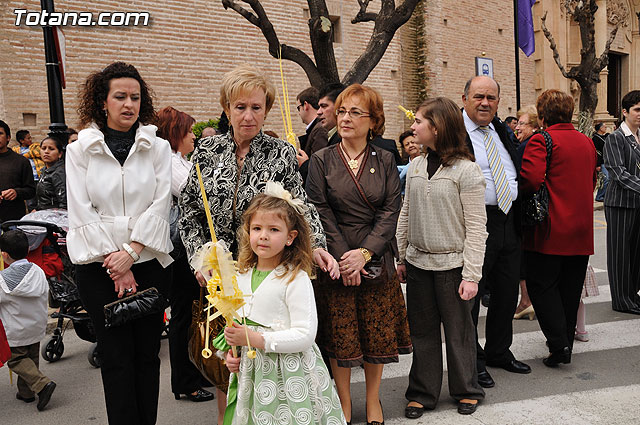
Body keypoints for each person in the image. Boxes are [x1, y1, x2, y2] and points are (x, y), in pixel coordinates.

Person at [179, 64, 339, 424]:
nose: (248, 116)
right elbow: (188, 210)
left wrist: (315, 245)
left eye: (256, 107)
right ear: (226, 108)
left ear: (266, 110)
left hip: (266, 269)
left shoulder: (280, 152)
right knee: (227, 361)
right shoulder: (206, 151)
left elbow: (298, 205)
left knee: (267, 356)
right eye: (240, 107)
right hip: (220, 275)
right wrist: (199, 259)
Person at [67, 61, 173, 424]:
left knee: (147, 355)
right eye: (120, 97)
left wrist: (132, 252)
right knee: (115, 359)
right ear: (102, 101)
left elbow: (161, 204)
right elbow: (81, 211)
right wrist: (116, 263)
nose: (129, 104)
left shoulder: (157, 146)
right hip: (99, 272)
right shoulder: (79, 150)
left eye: (135, 97)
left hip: (149, 266)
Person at [306, 83, 412, 425]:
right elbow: (319, 209)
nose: (345, 118)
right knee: (341, 333)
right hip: (335, 261)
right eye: (341, 111)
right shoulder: (322, 159)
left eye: (355, 112)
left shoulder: (385, 159)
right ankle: (344, 400)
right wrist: (343, 257)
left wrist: (365, 253)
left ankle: (373, 399)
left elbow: (390, 210)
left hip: (376, 259)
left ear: (373, 120)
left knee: (376, 332)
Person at [222, 182, 346, 425]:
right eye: (256, 228)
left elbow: (305, 334)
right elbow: (236, 326)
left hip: (290, 375)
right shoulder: (241, 275)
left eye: (274, 229)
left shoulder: (295, 278)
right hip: (253, 376)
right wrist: (229, 355)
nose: (263, 235)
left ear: (291, 237)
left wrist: (257, 339)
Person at [397, 97, 487, 418]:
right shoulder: (417, 165)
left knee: (459, 331)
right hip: (418, 263)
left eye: (419, 121)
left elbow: (477, 226)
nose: (413, 126)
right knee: (422, 331)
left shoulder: (467, 170)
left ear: (437, 127)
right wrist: (401, 255)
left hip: (454, 266)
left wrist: (471, 275)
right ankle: (422, 392)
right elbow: (406, 211)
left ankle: (466, 389)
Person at [462, 76, 530, 388]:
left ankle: (499, 351)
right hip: (474, 222)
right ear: (465, 98)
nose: (485, 103)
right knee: (471, 296)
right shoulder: (454, 132)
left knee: (505, 292)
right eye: (479, 96)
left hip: (508, 220)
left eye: (491, 97)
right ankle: (473, 361)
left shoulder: (500, 129)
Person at [520, 89, 596, 367]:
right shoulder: (586, 142)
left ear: (542, 115)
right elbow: (592, 181)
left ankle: (559, 344)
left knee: (541, 287)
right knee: (569, 289)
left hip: (550, 229)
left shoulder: (541, 140)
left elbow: (530, 180)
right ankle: (563, 345)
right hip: (581, 229)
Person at [155, 106, 214, 403]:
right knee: (184, 315)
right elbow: (197, 193)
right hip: (179, 252)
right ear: (175, 133)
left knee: (191, 313)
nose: (193, 136)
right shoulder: (168, 161)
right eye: (189, 131)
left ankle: (193, 374)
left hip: (181, 250)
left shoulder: (177, 159)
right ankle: (186, 381)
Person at [0, 230, 57, 411]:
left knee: (16, 361)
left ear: (4, 254)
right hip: (36, 326)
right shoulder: (38, 271)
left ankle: (42, 385)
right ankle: (26, 393)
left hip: (16, 330)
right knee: (30, 359)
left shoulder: (2, 280)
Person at [603, 90, 640, 315]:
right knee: (620, 254)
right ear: (624, 112)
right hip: (619, 204)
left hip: (636, 202)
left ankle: (631, 294)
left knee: (635, 253)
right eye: (637, 110)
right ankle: (621, 300)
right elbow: (618, 173)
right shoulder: (615, 138)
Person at [513, 104, 539, 320]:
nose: (517, 127)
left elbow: (524, 180)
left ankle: (526, 300)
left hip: (525, 210)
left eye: (522, 124)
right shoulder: (535, 143)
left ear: (533, 126)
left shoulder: (526, 147)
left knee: (523, 256)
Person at [0, 120, 36, 222]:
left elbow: (31, 190)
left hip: (13, 219)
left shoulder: (21, 161)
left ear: (8, 137)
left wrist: (16, 192)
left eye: (0, 133)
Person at [296, 86, 329, 181]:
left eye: (299, 108)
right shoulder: (316, 128)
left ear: (305, 105)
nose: (298, 113)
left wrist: (304, 164)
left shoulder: (320, 130)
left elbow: (319, 166)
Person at [35, 136, 67, 210]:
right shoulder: (44, 170)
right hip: (44, 214)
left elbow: (64, 203)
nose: (46, 151)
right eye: (43, 148)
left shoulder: (59, 173)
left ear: (60, 154)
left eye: (51, 149)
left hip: (54, 217)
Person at [397, 130, 420, 194]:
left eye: (413, 142)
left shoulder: (427, 161)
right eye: (407, 144)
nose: (411, 145)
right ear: (404, 149)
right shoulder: (402, 167)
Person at [593, 122, 610, 202]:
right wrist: (598, 164)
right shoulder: (595, 138)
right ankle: (599, 196)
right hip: (602, 162)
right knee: (605, 179)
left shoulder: (606, 137)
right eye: (604, 126)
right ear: (600, 128)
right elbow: (597, 153)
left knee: (609, 179)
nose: (606, 128)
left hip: (608, 161)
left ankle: (605, 195)